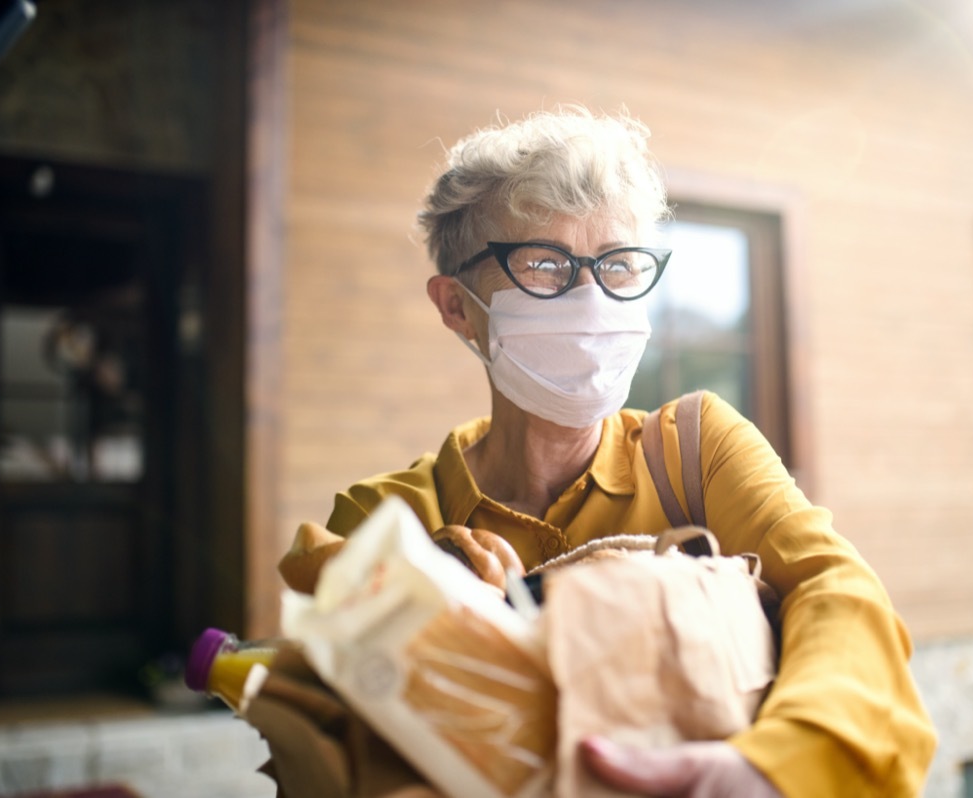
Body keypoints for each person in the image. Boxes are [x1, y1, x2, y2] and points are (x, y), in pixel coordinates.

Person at [279, 106, 937, 796]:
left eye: (619, 264)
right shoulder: (388, 519)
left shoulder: (695, 450)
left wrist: (773, 769)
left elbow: (835, 590)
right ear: (456, 305)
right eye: (544, 264)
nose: (591, 297)